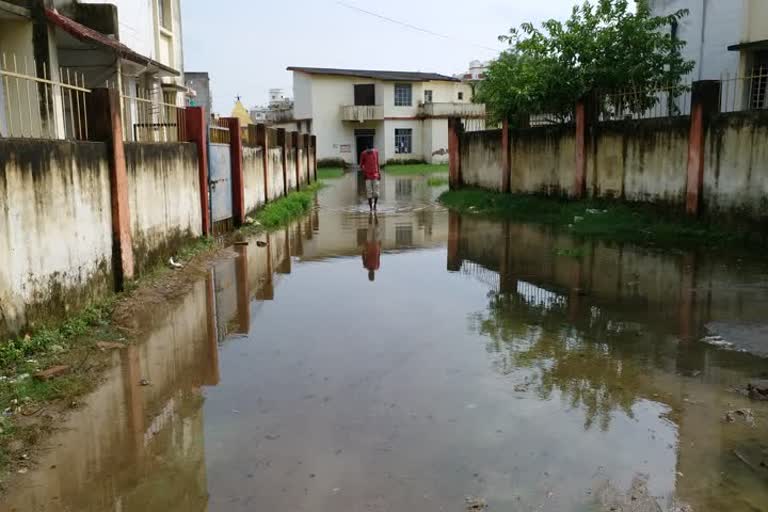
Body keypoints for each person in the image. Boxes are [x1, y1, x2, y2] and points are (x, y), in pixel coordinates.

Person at [360, 146, 380, 211]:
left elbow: (377, 163)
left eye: (371, 150)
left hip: (375, 175)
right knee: (369, 192)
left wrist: (379, 173)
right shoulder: (363, 154)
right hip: (367, 176)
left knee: (376, 192)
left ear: (373, 149)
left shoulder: (376, 152)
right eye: (368, 150)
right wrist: (364, 172)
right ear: (366, 148)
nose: (369, 151)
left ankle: (375, 206)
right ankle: (371, 208)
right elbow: (361, 165)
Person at [362, 213, 381, 282]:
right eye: (372, 274)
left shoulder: (366, 265)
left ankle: (370, 214)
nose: (371, 273)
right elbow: (378, 256)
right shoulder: (377, 266)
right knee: (377, 227)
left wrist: (364, 248)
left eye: (370, 274)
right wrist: (379, 247)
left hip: (369, 243)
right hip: (376, 244)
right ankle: (375, 214)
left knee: (370, 227)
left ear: (368, 274)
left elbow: (363, 256)